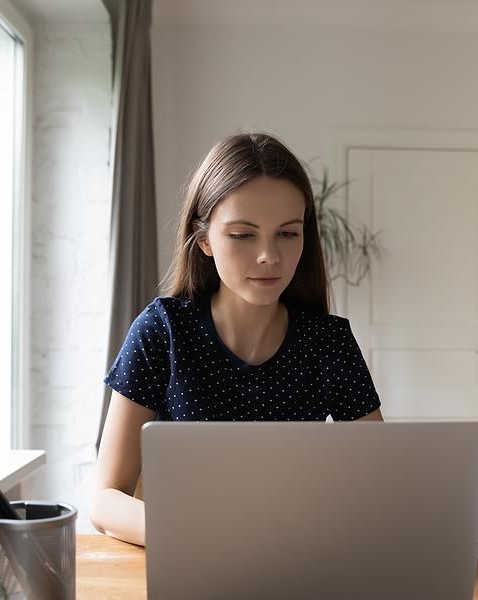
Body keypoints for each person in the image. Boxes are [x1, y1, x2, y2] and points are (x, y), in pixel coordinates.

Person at [89, 132, 383, 545]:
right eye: (243, 235)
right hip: (189, 559)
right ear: (205, 239)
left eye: (288, 233)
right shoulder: (164, 330)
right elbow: (105, 499)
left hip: (297, 557)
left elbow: (382, 485)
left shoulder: (329, 343)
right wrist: (197, 534)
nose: (269, 256)